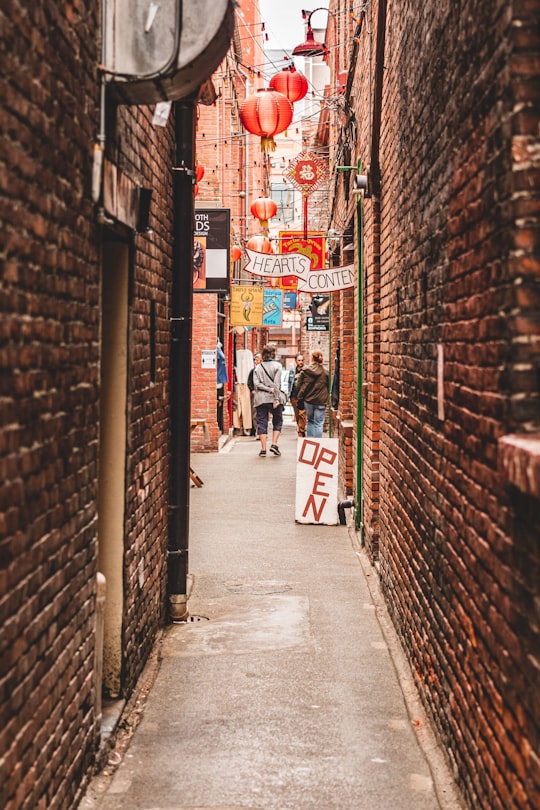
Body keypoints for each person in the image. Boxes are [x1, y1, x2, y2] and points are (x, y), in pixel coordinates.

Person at [252, 344, 284, 457]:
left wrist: (266, 388)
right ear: (273, 354)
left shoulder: (258, 368)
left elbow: (256, 384)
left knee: (262, 422)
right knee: (278, 421)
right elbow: (277, 384)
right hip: (274, 398)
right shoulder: (278, 366)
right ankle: (274, 444)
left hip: (260, 399)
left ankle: (263, 449)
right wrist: (275, 397)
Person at [295, 350, 329, 438]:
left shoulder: (306, 371)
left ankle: (310, 444)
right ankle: (317, 443)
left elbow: (298, 385)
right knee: (318, 424)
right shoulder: (326, 372)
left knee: (310, 421)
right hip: (321, 401)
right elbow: (329, 386)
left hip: (308, 401)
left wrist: (299, 396)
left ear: (312, 358)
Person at [288, 353, 306, 437]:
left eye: (302, 360)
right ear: (295, 361)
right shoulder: (292, 371)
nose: (301, 362)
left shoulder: (306, 370)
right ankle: (300, 428)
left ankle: (301, 431)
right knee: (297, 414)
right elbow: (289, 383)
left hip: (303, 396)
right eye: (299, 360)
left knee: (302, 413)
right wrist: (289, 394)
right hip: (294, 395)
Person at [247, 352, 261, 437]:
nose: (255, 361)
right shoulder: (252, 371)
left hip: (263, 395)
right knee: (255, 413)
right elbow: (249, 382)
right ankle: (257, 431)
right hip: (255, 394)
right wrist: (252, 390)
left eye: (257, 359)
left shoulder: (264, 370)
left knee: (262, 413)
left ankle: (262, 431)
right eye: (255, 359)